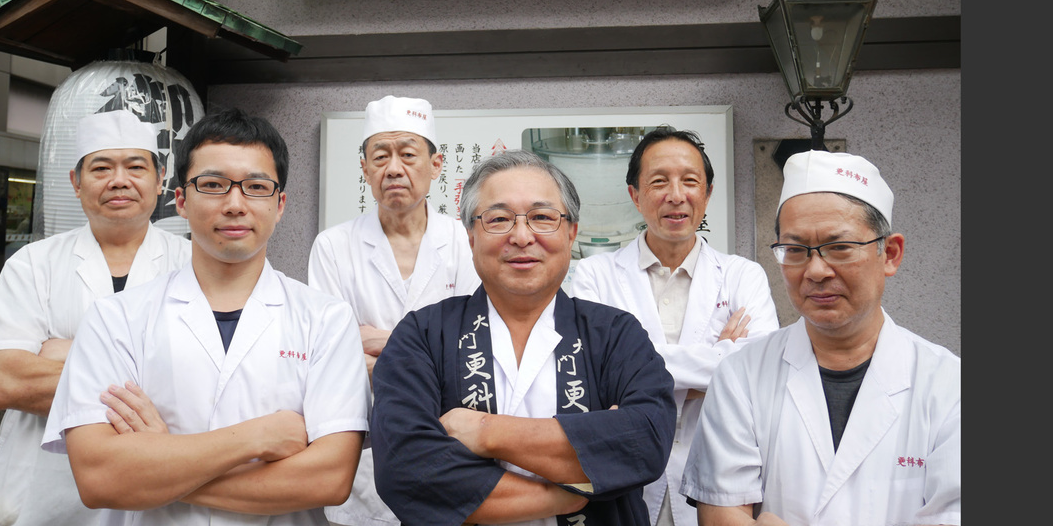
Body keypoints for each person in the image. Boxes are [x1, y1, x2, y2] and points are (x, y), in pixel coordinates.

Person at [41, 107, 370, 526]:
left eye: (255, 186)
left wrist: (162, 459)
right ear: (180, 198)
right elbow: (100, 479)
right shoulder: (115, 319)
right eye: (213, 185)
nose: (234, 204)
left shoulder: (326, 320)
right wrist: (258, 437)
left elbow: (329, 479)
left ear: (280, 204)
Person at [371, 149, 677, 526]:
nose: (521, 236)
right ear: (470, 237)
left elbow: (644, 441)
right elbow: (407, 468)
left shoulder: (614, 333)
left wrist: (486, 433)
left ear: (571, 232)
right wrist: (564, 494)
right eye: (498, 219)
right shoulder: (423, 334)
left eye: (542, 218)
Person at [680, 150, 961, 526]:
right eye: (795, 250)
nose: (815, 270)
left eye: (839, 247)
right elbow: (722, 513)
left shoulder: (948, 386)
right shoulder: (741, 376)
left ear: (890, 254)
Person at [0, 109, 193, 526]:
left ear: (160, 178)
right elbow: (8, 383)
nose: (119, 180)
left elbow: (206, 377)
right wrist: (153, 368)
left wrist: (62, 353)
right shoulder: (33, 264)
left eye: (135, 166)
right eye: (101, 167)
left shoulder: (193, 264)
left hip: (152, 493)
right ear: (76, 183)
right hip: (44, 496)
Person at [570, 127, 779, 526]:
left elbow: (758, 370)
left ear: (708, 192)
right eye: (659, 181)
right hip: (625, 474)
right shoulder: (595, 275)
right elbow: (597, 373)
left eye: (690, 181)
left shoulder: (742, 274)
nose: (676, 195)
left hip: (719, 475)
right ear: (635, 195)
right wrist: (717, 361)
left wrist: (637, 369)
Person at [307, 95, 479, 526]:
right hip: (364, 454)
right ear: (364, 168)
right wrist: (433, 351)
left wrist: (379, 344)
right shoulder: (334, 246)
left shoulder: (467, 241)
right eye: (380, 156)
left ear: (436, 165)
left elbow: (478, 348)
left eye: (408, 154)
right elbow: (329, 355)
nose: (394, 168)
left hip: (453, 446)